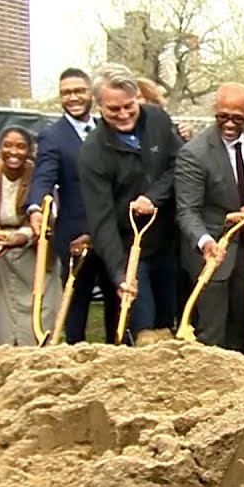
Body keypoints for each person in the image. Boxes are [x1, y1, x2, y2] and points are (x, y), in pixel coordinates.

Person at [78, 65, 183, 342]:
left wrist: (153, 197)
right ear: (99, 106)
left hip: (166, 243)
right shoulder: (93, 152)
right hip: (129, 250)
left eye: (129, 106)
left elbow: (178, 167)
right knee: (143, 329)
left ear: (137, 97)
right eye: (114, 110)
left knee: (168, 323)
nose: (124, 115)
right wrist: (120, 273)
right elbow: (100, 220)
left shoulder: (159, 121)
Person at [174, 83, 244, 352]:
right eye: (223, 115)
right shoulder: (194, 153)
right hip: (210, 254)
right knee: (211, 334)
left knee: (240, 326)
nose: (229, 123)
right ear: (214, 111)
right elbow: (187, 210)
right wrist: (204, 242)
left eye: (238, 118)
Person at [26, 67, 106, 344]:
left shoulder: (107, 127)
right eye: (66, 93)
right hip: (75, 237)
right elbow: (43, 177)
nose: (73, 97)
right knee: (76, 309)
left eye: (79, 91)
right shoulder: (52, 136)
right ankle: (75, 361)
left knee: (118, 305)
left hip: (111, 235)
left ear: (91, 94)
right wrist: (36, 208)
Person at [0, 125, 61, 346]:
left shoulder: (39, 175)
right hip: (0, 253)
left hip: (34, 250)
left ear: (30, 150)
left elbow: (47, 213)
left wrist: (23, 236)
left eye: (20, 146)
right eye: (7, 145)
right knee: (5, 315)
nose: (13, 151)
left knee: (40, 307)